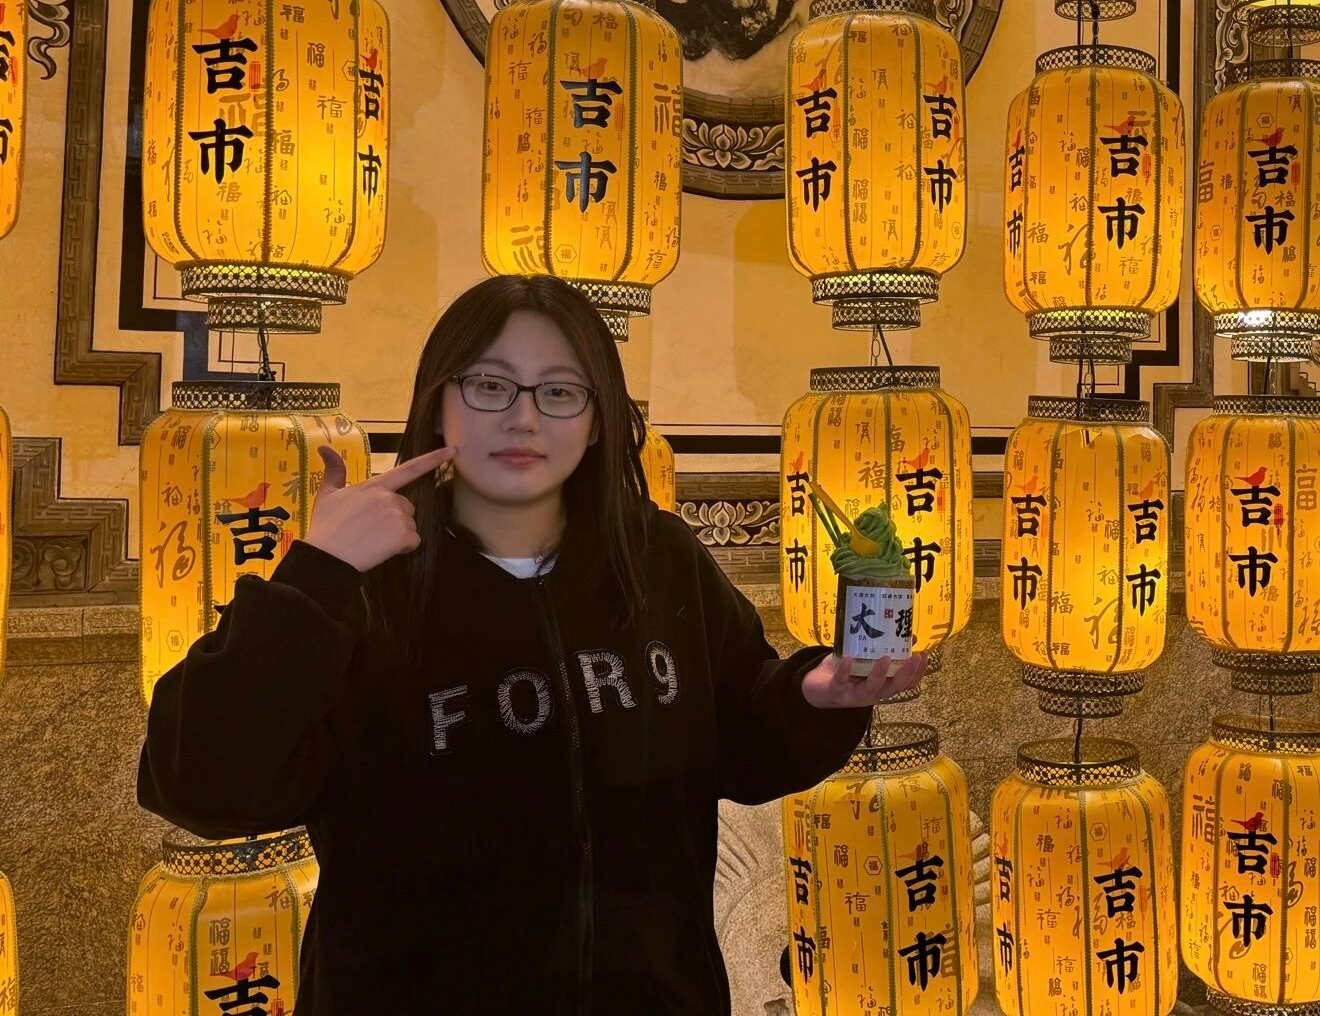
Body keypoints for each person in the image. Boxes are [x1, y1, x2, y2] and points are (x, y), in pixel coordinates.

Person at [138, 275, 927, 1014]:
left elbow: (742, 737)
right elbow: (201, 784)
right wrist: (317, 574)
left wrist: (814, 694)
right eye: (490, 385)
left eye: (559, 390)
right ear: (439, 403)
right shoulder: (366, 588)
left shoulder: (656, 556)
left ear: (597, 418)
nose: (524, 417)